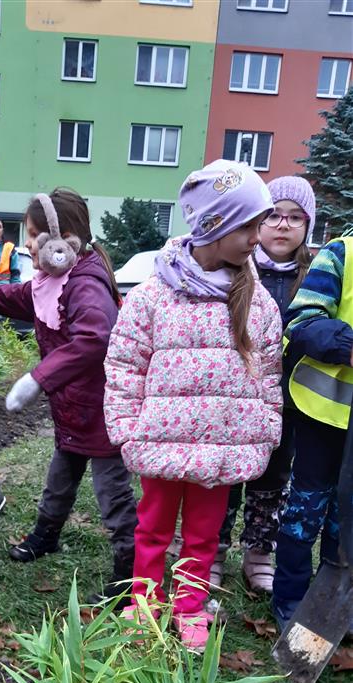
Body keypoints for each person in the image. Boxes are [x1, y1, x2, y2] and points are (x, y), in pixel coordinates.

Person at [104, 159, 283, 650]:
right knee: (153, 527)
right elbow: (125, 361)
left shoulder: (255, 300)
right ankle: (144, 601)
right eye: (247, 225)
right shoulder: (153, 296)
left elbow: (268, 370)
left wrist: (266, 426)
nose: (257, 235)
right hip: (160, 441)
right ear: (213, 226)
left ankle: (189, 606)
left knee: (204, 535)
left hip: (219, 447)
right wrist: (125, 424)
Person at [0, 188, 138, 594]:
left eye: (33, 233)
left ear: (61, 241)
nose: (27, 243)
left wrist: (39, 378)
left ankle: (128, 570)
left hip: (102, 413)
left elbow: (94, 338)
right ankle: (46, 536)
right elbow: (19, 297)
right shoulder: (52, 281)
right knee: (59, 481)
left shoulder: (85, 284)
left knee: (114, 498)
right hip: (74, 410)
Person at [212, 176, 317, 592]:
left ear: (308, 226)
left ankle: (258, 552)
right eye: (273, 214)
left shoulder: (315, 276)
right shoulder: (237, 270)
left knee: (272, 477)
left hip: (286, 400)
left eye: (295, 217)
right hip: (233, 396)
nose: (283, 225)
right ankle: (213, 548)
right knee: (224, 476)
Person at [272, 231, 353, 629]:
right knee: (307, 508)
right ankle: (290, 596)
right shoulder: (341, 254)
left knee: (348, 515)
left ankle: (334, 603)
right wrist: (347, 345)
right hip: (324, 413)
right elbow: (302, 321)